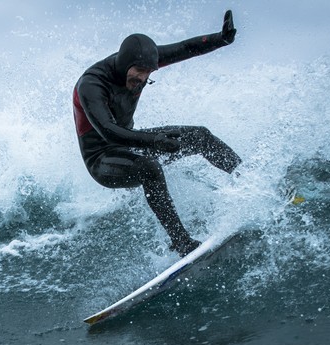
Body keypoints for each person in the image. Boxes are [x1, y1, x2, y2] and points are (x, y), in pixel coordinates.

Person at [72, 10, 242, 256]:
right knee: (149, 167)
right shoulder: (92, 84)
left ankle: (248, 180)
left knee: (200, 136)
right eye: (138, 71)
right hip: (102, 160)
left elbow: (185, 48)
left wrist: (220, 39)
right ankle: (182, 242)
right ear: (123, 63)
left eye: (148, 73)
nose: (142, 78)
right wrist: (155, 142)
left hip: (130, 143)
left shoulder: (144, 63)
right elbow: (108, 132)